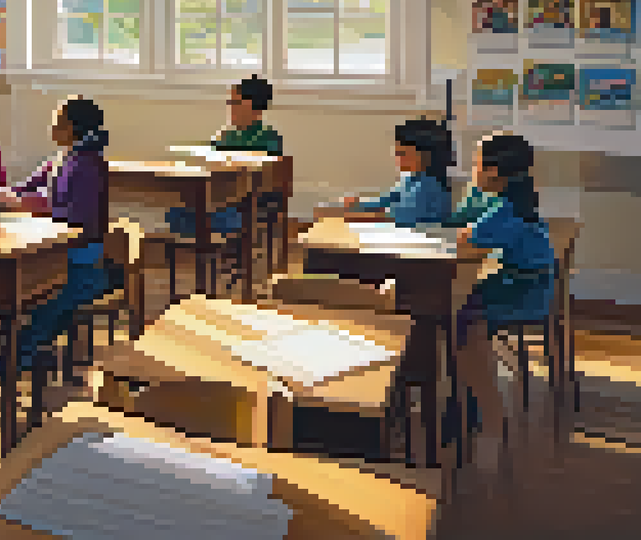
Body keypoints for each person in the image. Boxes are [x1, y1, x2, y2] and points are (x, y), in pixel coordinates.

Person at [446, 132, 555, 470]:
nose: (473, 171)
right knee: (460, 307)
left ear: (493, 172)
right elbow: (466, 223)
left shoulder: (506, 208)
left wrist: (473, 209)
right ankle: (465, 401)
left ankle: (476, 407)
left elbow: (467, 237)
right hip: (522, 282)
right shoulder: (512, 200)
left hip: (522, 291)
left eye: (477, 165)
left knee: (460, 316)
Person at [0, 96, 109, 373]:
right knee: (19, 290)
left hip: (81, 265)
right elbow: (21, 190)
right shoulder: (60, 160)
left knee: (41, 302)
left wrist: (37, 206)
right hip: (60, 255)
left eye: (59, 122)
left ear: (73, 129)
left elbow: (78, 220)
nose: (52, 127)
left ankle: (17, 360)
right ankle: (6, 351)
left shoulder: (88, 164)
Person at [167, 75, 284, 237]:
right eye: (230, 103)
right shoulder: (225, 136)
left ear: (252, 106)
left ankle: (214, 243)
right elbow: (209, 162)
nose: (230, 108)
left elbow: (266, 182)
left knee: (222, 217)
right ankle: (205, 245)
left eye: (236, 103)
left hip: (245, 204)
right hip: (217, 198)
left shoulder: (269, 138)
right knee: (175, 213)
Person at [317, 118, 454, 228]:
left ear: (424, 156)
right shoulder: (411, 179)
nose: (397, 158)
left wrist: (342, 215)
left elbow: (392, 217)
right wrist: (357, 204)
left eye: (402, 154)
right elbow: (385, 200)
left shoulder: (427, 185)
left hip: (423, 242)